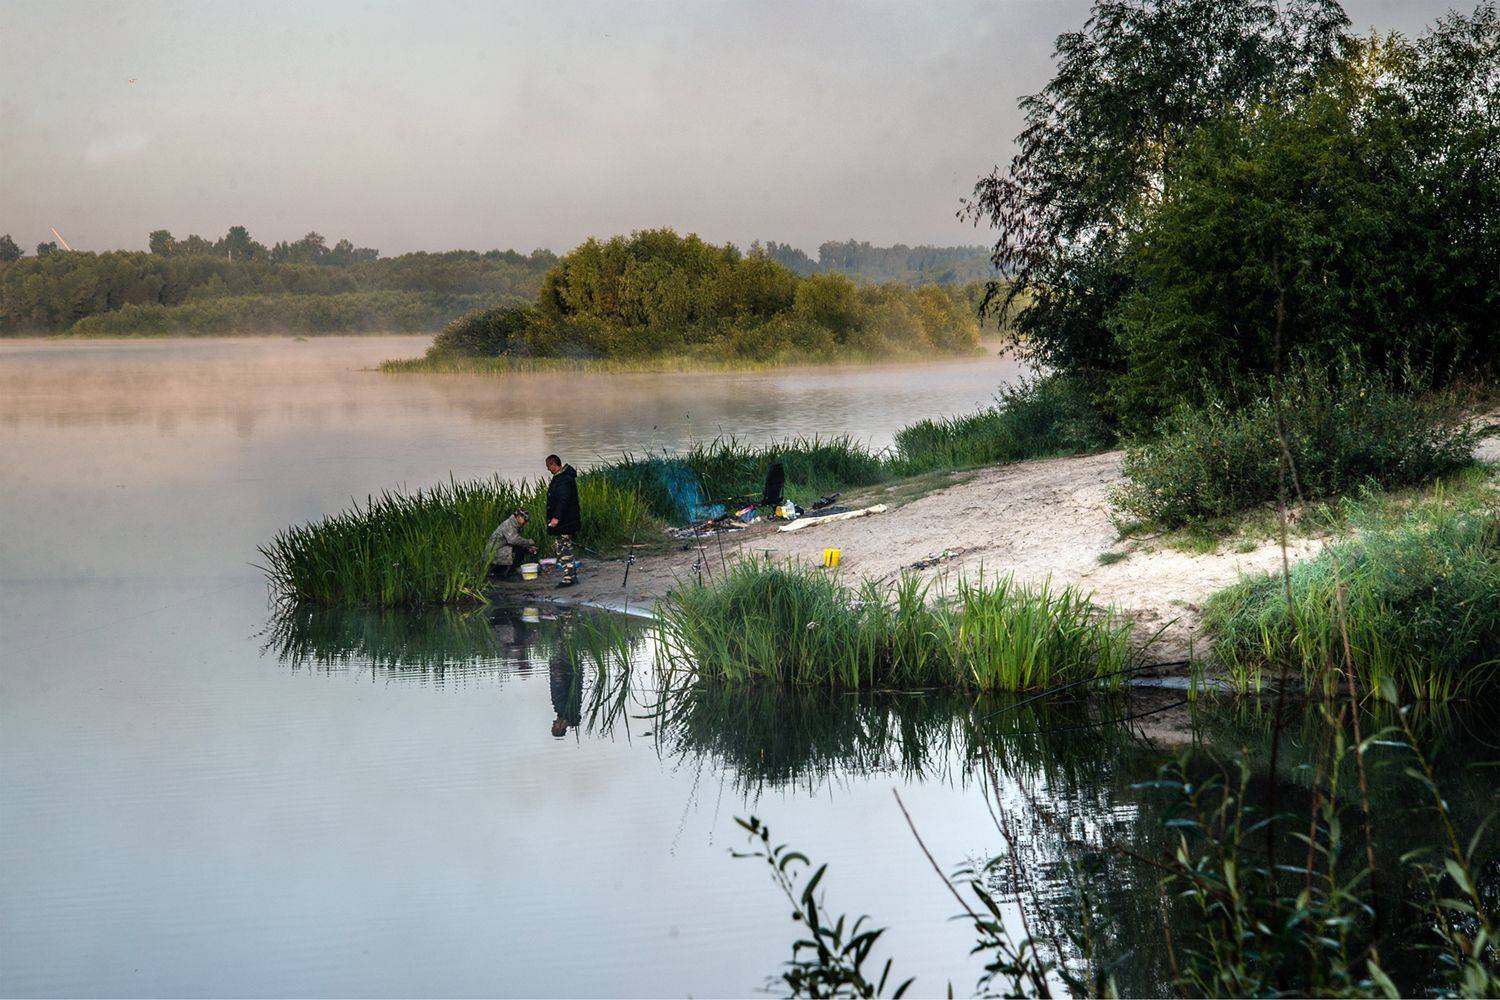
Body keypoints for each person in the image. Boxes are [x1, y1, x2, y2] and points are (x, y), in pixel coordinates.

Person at [544, 454, 581, 587]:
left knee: (564, 549)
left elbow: (563, 501)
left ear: (554, 464)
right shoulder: (562, 477)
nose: (548, 469)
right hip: (566, 521)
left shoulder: (563, 479)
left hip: (565, 521)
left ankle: (569, 578)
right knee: (563, 547)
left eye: (548, 466)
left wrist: (556, 518)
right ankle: (570, 576)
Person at [485, 509, 537, 579]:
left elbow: (517, 541)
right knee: (520, 549)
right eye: (525, 520)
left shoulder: (515, 524)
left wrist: (528, 547)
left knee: (523, 548)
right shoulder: (508, 524)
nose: (526, 522)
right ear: (518, 517)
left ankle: (509, 571)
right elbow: (513, 540)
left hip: (501, 548)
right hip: (494, 552)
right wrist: (529, 542)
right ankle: (507, 572)